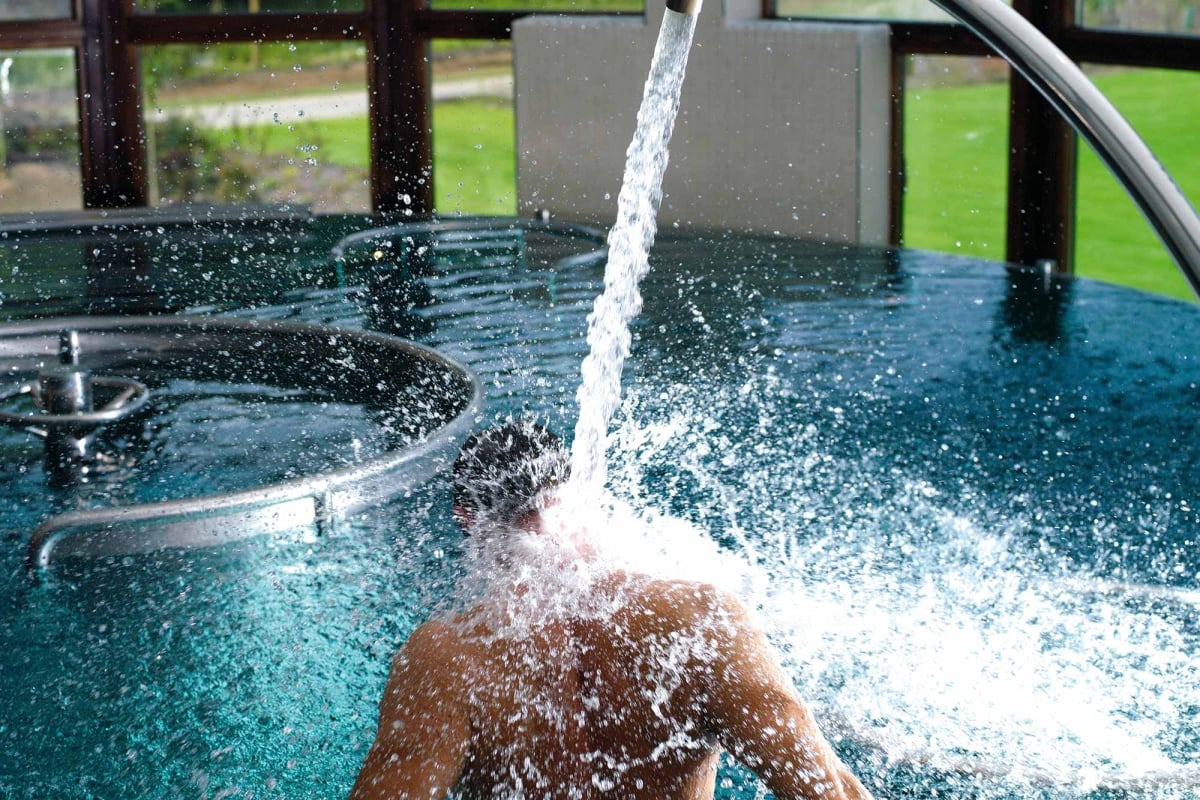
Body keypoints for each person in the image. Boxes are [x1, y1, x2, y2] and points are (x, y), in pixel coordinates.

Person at [350, 420, 873, 800]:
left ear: (468, 520)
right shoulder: (703, 620)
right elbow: (827, 793)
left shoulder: (447, 658)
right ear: (577, 494)